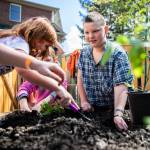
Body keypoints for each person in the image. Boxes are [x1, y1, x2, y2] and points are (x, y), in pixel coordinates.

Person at [0, 16, 75, 107]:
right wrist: (58, 89)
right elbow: (25, 70)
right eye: (47, 46)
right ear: (39, 39)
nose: (45, 50)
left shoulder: (14, 40)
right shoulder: (21, 43)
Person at [77, 11, 133, 131]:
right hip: (93, 110)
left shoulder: (118, 54)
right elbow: (80, 78)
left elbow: (121, 86)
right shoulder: (84, 53)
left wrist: (118, 114)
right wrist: (84, 101)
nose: (90, 36)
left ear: (106, 29)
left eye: (95, 31)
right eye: (86, 32)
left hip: (117, 108)